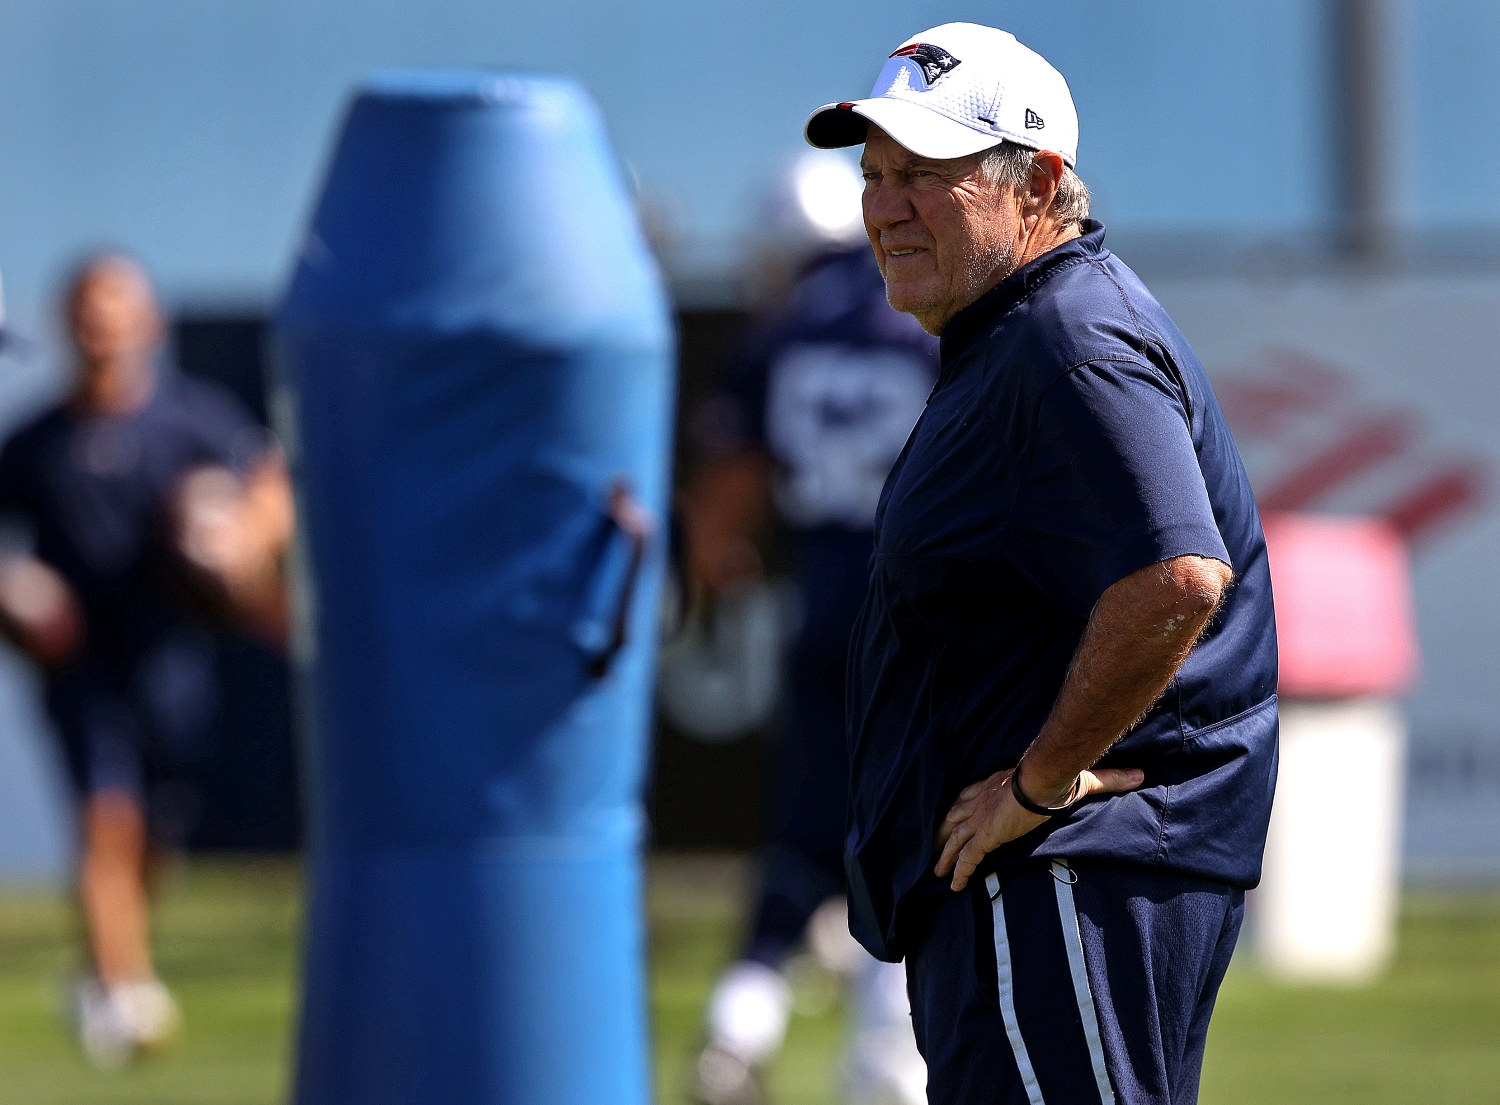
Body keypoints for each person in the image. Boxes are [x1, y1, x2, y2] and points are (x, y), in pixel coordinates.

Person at [803, 23, 1278, 1105]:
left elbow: (1178, 577)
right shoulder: (1018, 334)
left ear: (1038, 185)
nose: (884, 206)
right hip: (1044, 886)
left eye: (926, 173)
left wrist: (1038, 779)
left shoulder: (1069, 342)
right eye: (874, 175)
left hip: (1062, 876)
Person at [682, 155, 937, 1105]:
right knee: (910, 840)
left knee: (803, 833)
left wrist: (722, 562)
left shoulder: (777, 334)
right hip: (918, 614)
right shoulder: (929, 313)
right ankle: (886, 1067)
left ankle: (738, 1020)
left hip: (823, 607)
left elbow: (723, 506)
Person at [0, 255, 294, 1067]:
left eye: (119, 311)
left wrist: (241, 538)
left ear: (148, 323)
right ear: (69, 326)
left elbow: (270, 487)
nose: (105, 329)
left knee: (157, 831)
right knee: (107, 816)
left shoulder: (193, 420)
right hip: (80, 667)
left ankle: (110, 961)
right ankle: (122, 989)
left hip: (172, 657)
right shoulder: (37, 440)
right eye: (90, 314)